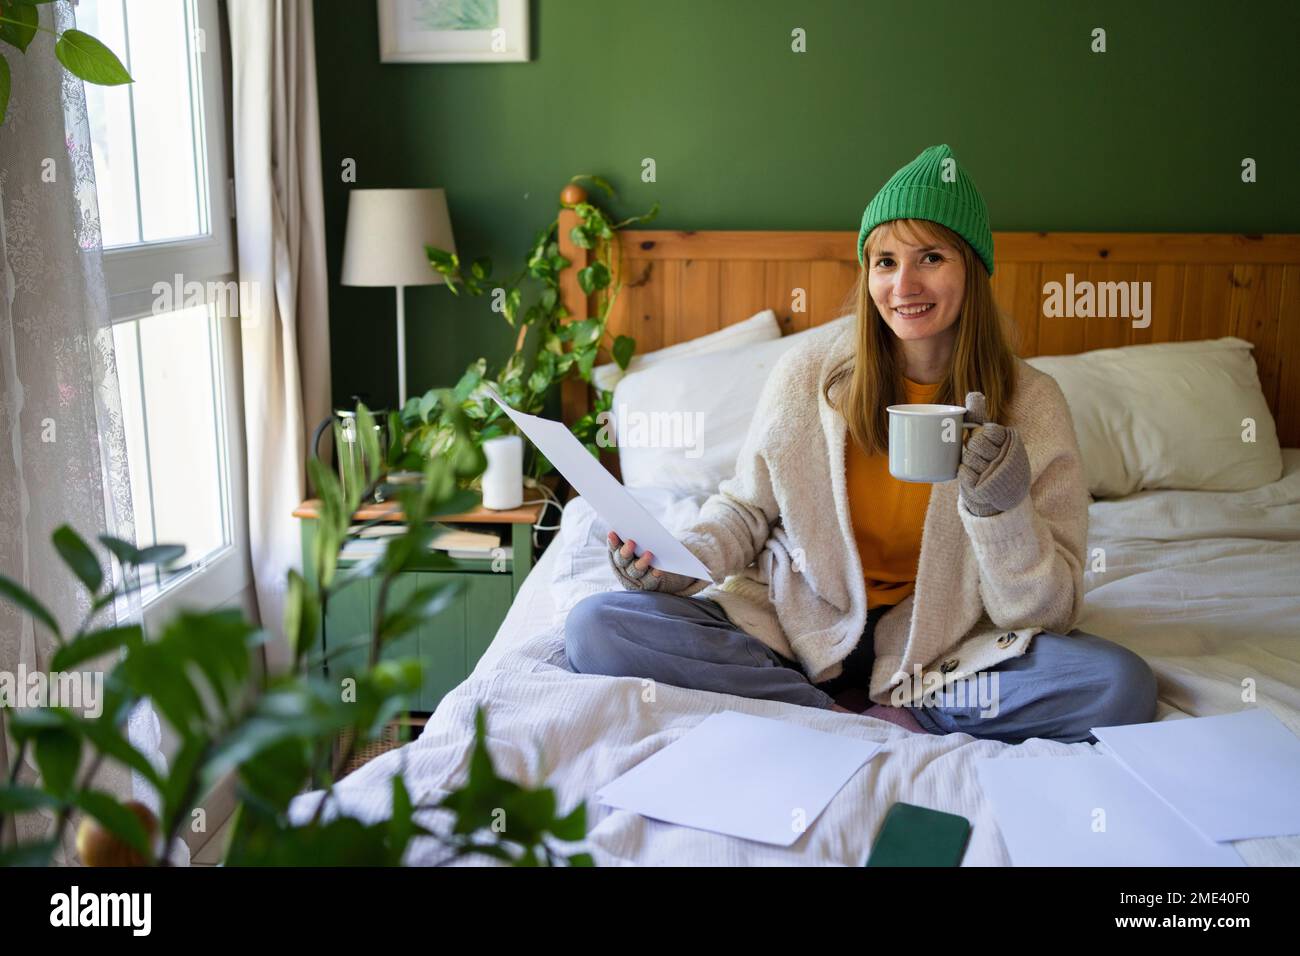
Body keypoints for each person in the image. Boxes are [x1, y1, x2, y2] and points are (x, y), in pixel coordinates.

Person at [564, 144, 1157, 744]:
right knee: (597, 627)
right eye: (884, 261)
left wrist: (1002, 512)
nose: (904, 284)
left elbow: (1048, 613)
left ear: (972, 269)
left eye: (930, 257)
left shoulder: (1033, 404)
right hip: (797, 627)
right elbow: (745, 509)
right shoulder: (808, 375)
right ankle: (835, 714)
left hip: (944, 647)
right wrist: (674, 565)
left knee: (1118, 685)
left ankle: (890, 706)